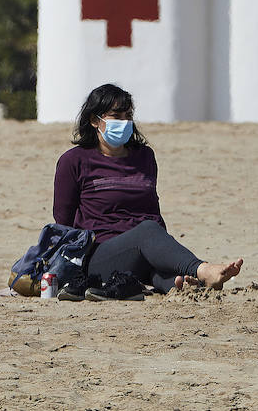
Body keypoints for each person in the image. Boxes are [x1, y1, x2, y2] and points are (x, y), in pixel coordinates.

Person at [51, 83, 244, 297]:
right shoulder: (73, 161)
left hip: (144, 249)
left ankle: (182, 284)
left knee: (156, 252)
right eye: (116, 116)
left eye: (128, 116)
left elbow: (152, 208)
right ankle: (203, 269)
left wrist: (163, 249)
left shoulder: (144, 156)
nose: (124, 122)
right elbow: (63, 222)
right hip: (99, 255)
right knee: (148, 231)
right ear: (95, 120)